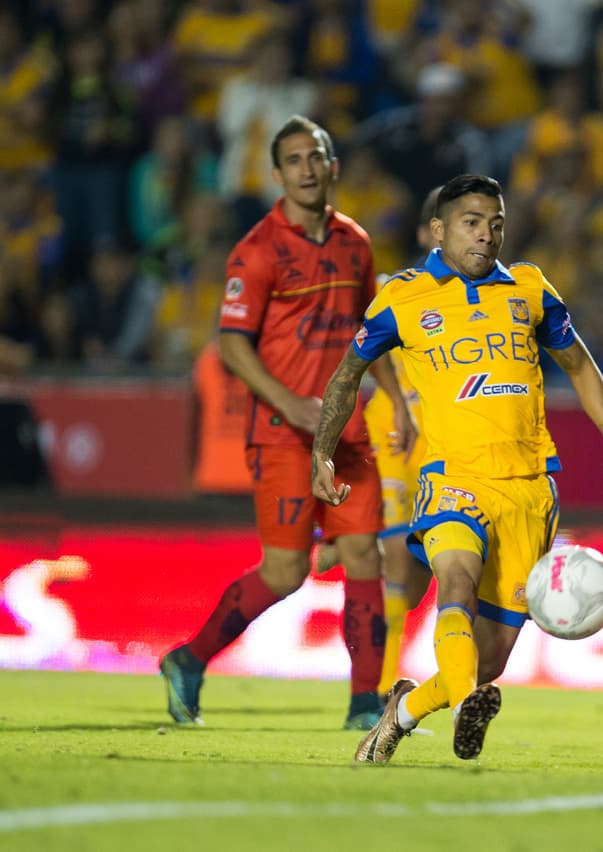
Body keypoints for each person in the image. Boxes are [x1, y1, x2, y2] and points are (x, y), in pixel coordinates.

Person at [311, 173, 603, 763]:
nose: (486, 235)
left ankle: (403, 711)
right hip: (452, 478)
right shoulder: (403, 297)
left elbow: (579, 364)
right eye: (472, 223)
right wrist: (323, 451)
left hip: (529, 489)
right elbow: (347, 374)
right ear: (439, 230)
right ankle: (466, 704)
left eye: (496, 224)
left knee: (487, 660)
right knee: (456, 583)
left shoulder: (530, 288)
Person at [160, 115, 415, 730]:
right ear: (277, 174)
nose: (307, 168)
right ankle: (188, 659)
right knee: (286, 571)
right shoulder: (256, 250)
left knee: (365, 554)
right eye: (294, 159)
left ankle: (364, 704)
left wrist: (397, 400)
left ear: (333, 166)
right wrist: (289, 402)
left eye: (316, 156)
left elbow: (371, 331)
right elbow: (232, 344)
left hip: (347, 434)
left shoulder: (355, 242)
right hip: (282, 434)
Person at [315, 187, 443, 695]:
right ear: (426, 232)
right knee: (394, 565)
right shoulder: (395, 289)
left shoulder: (481, 296)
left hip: (443, 441)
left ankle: (339, 543)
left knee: (414, 583)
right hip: (392, 434)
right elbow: (360, 352)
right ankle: (376, 693)